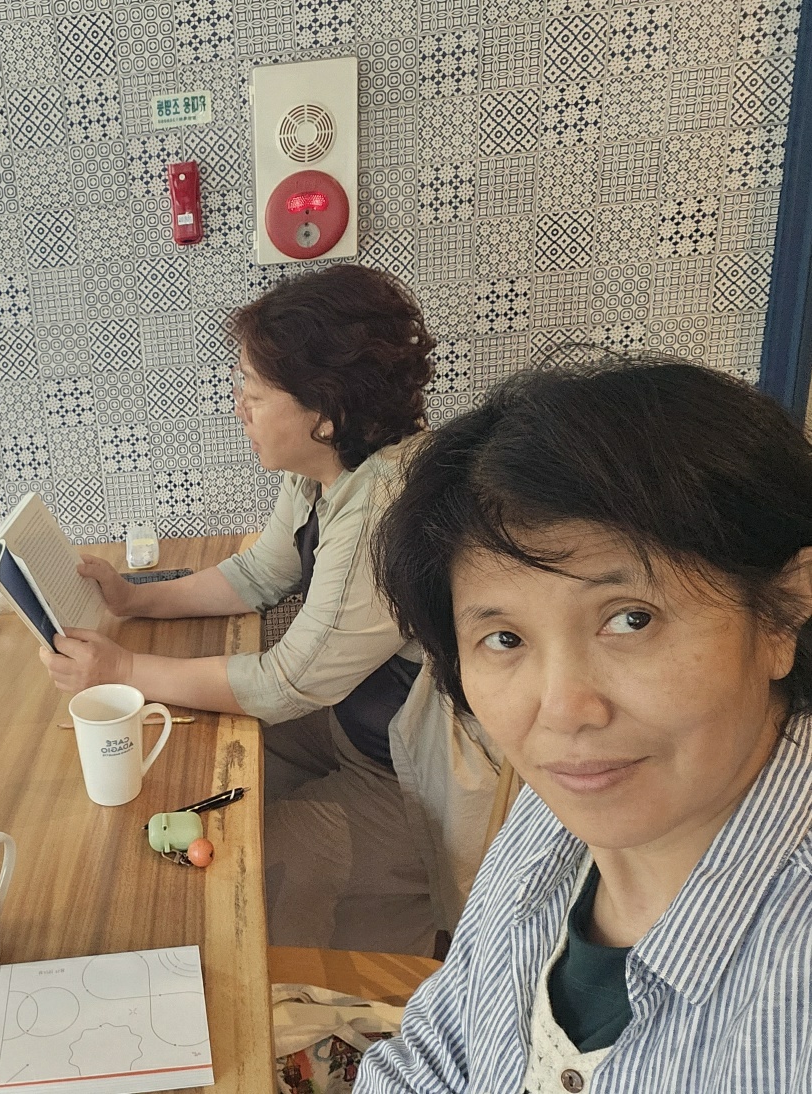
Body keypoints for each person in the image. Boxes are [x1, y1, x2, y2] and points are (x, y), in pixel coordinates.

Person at [358, 354, 812, 1091]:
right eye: (504, 638)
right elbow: (435, 1050)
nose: (563, 711)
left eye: (631, 619)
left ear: (782, 613)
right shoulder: (552, 814)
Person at [39, 265, 499, 954]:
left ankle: (357, 965)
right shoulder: (329, 468)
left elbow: (289, 683)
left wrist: (125, 669)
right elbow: (259, 574)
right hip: (354, 728)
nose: (239, 410)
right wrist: (138, 599)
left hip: (410, 777)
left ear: (324, 413)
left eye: (253, 393)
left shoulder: (381, 508)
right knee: (190, 762)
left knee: (233, 868)